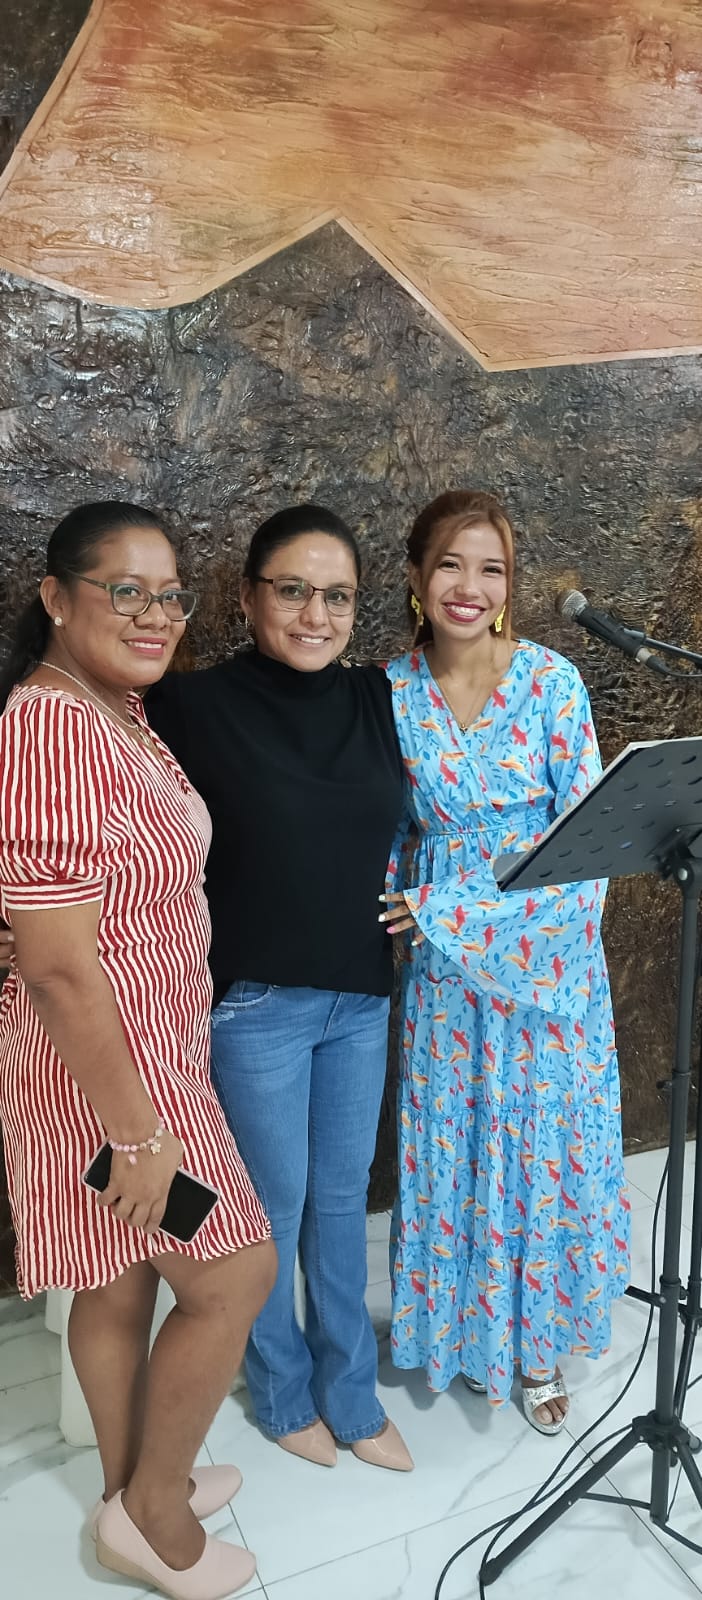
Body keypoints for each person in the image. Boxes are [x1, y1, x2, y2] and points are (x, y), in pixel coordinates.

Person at [0, 502, 276, 1600]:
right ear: (56, 598)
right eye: (125, 591)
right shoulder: (52, 727)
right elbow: (59, 966)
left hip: (146, 1049)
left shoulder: (112, 709)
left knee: (115, 1281)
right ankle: (156, 1514)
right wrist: (138, 1131)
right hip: (110, 1078)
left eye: (170, 596)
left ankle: (129, 1488)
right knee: (234, 1273)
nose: (154, 614)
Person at [144, 504, 414, 1471]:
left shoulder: (379, 695)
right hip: (255, 1006)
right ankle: (282, 1390)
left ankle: (352, 1394)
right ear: (249, 598)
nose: (315, 615)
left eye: (337, 596)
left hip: (361, 996)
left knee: (343, 1200)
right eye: (293, 591)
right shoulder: (188, 704)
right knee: (271, 1209)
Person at [379, 489, 630, 1435]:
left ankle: (535, 1347)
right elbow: (387, 828)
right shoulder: (389, 692)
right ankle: (462, 1333)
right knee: (460, 1146)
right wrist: (396, 906)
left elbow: (592, 843)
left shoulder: (553, 683)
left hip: (546, 963)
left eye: (491, 569)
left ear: (510, 584)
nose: (469, 587)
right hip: (444, 978)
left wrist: (457, 913)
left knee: (540, 1149)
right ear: (416, 576)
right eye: (450, 563)